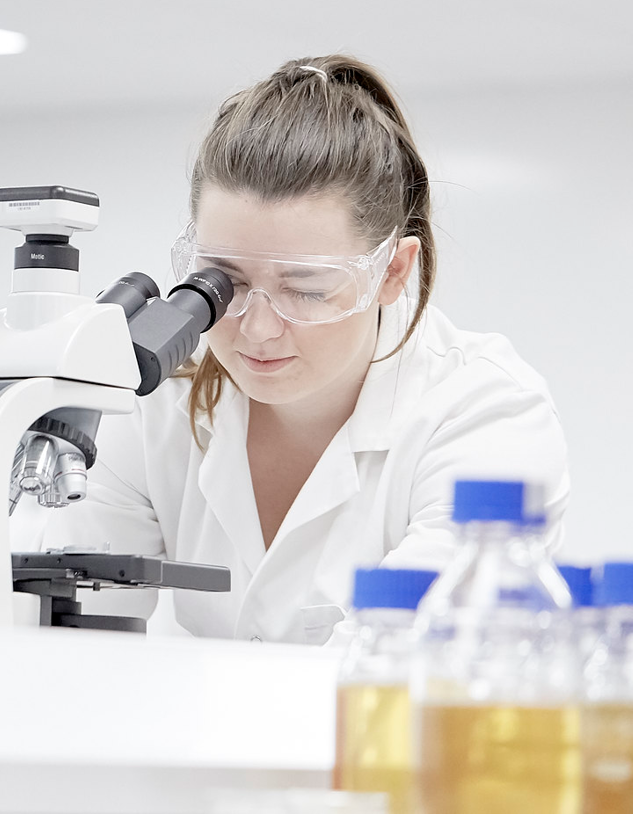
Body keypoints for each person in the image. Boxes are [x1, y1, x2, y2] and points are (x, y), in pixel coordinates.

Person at [46, 54, 569, 645]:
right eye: (226, 285)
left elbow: (405, 664)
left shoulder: (487, 412)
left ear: (393, 272)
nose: (259, 329)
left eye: (307, 290)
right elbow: (71, 632)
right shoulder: (152, 396)